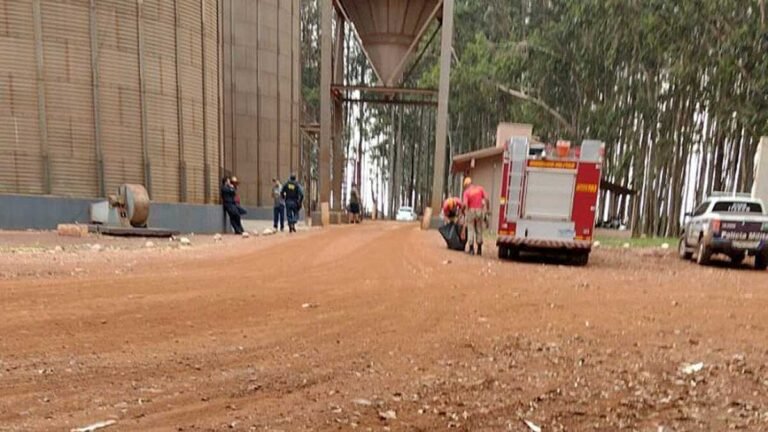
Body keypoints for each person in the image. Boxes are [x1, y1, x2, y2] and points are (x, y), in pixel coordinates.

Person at [462, 177, 488, 256]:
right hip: (479, 211)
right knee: (479, 229)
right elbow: (487, 198)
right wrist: (487, 208)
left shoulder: (466, 192)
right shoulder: (480, 189)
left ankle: (471, 249)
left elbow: (465, 204)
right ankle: (479, 249)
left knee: (470, 229)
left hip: (471, 211)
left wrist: (464, 211)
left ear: (466, 185)